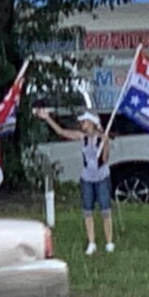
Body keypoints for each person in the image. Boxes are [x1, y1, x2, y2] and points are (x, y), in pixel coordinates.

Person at [37, 109, 114, 256]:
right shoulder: (82, 137)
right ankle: (91, 242)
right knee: (87, 210)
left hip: (101, 177)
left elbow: (104, 160)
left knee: (105, 210)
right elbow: (61, 132)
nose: (82, 124)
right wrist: (48, 119)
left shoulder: (101, 139)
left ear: (92, 122)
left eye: (84, 121)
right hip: (87, 178)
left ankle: (109, 242)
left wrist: (106, 144)